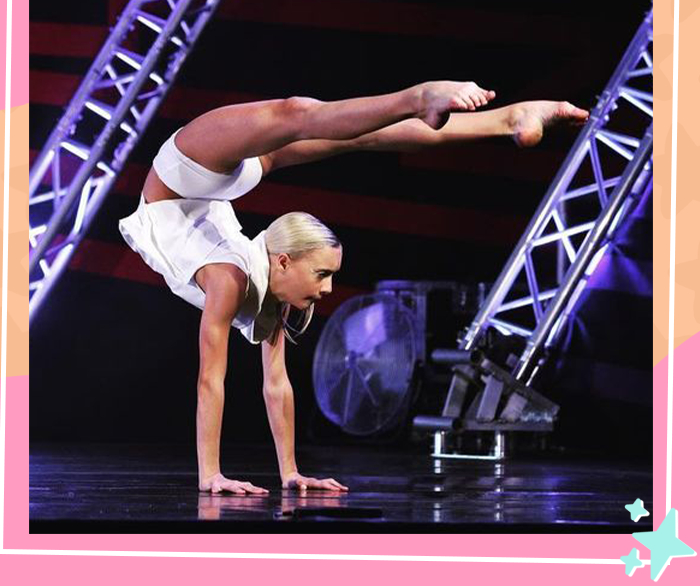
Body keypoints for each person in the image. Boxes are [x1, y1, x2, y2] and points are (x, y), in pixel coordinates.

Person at [118, 80, 589, 496]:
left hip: (191, 180)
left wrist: (290, 474)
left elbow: (276, 385)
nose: (327, 291)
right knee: (299, 114)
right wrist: (211, 475)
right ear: (284, 261)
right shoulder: (231, 279)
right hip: (187, 174)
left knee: (349, 134)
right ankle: (420, 95)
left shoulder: (252, 283)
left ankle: (509, 118)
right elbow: (210, 380)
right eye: (322, 274)